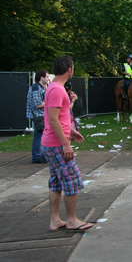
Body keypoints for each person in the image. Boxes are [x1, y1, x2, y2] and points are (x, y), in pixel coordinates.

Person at [41, 55, 92, 233]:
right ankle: (71, 220)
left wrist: (71, 131)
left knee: (56, 181)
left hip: (52, 142)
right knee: (72, 180)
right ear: (69, 69)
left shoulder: (54, 87)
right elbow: (53, 120)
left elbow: (57, 118)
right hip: (56, 145)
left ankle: (55, 220)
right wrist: (65, 144)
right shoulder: (57, 90)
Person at [26, 70, 50, 163]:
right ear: (41, 77)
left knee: (41, 136)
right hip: (38, 115)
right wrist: (48, 102)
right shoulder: (36, 88)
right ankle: (37, 156)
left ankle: (41, 155)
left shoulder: (39, 87)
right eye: (47, 77)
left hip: (40, 115)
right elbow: (37, 104)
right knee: (39, 136)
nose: (48, 79)